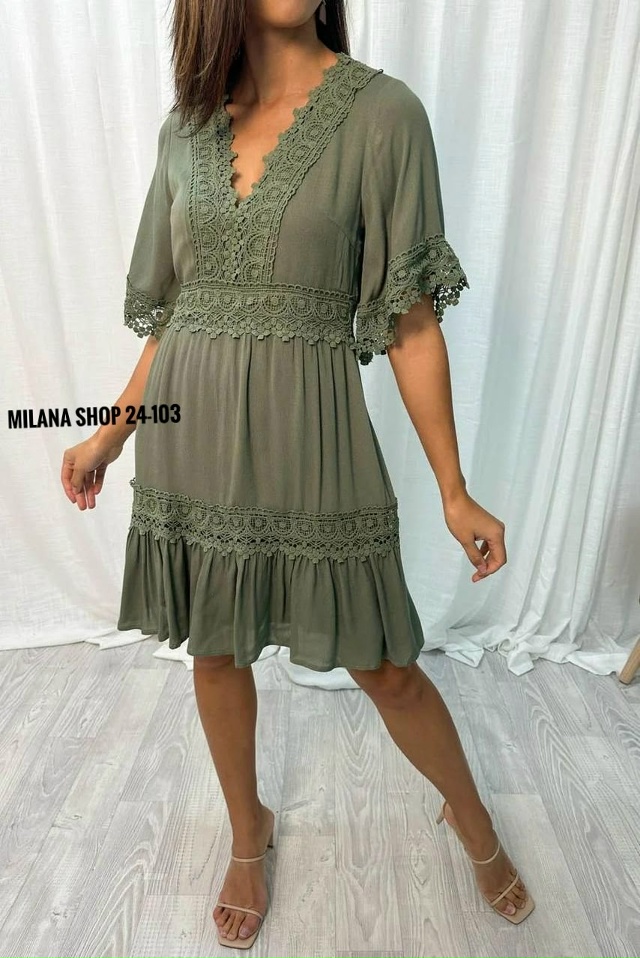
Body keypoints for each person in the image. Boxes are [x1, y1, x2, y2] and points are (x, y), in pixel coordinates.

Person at [61, 0, 534, 948]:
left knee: (386, 665)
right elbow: (176, 315)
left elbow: (410, 321)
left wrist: (453, 488)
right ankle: (249, 833)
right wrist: (109, 433)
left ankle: (473, 818)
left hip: (313, 437)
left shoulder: (383, 115)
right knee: (214, 650)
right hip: (193, 439)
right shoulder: (186, 127)